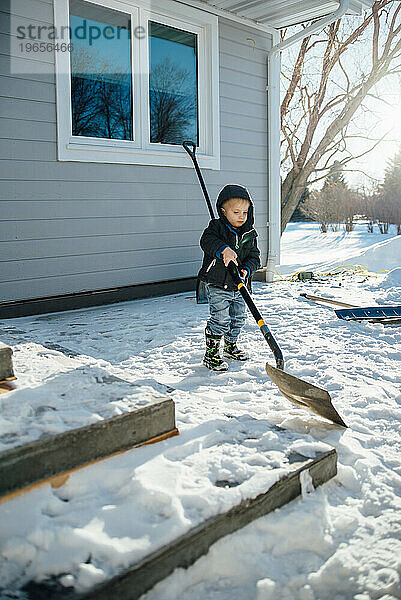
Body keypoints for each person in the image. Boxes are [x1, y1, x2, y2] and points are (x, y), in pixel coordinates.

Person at [198, 184, 261, 371]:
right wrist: (223, 249)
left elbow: (254, 257)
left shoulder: (250, 234)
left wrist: (247, 270)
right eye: (236, 212)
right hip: (218, 284)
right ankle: (211, 355)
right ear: (223, 211)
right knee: (220, 319)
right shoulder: (216, 228)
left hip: (240, 286)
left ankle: (230, 347)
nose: (242, 216)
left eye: (245, 212)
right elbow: (206, 241)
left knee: (238, 318)